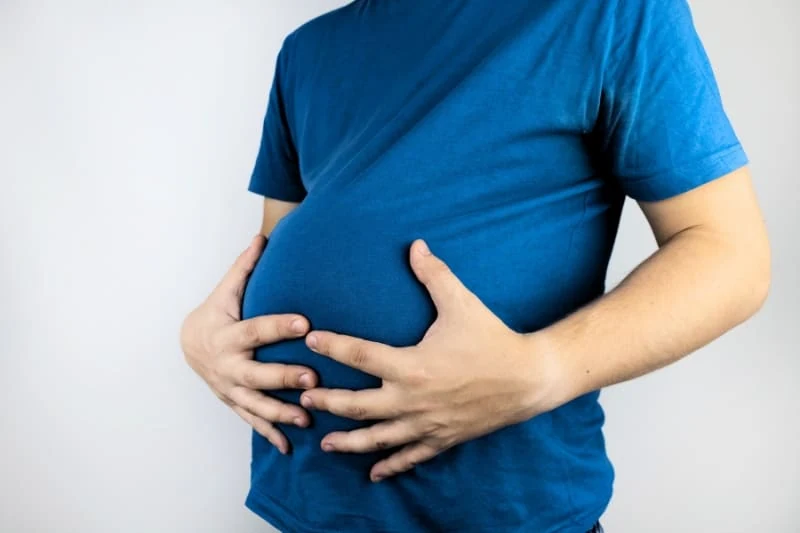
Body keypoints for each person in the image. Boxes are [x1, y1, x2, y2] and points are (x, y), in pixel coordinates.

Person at [180, 1, 770, 531]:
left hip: (500, 512)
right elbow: (278, 240)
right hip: (309, 503)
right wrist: (204, 337)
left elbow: (729, 255)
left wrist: (543, 369)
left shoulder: (613, 11)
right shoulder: (306, 50)